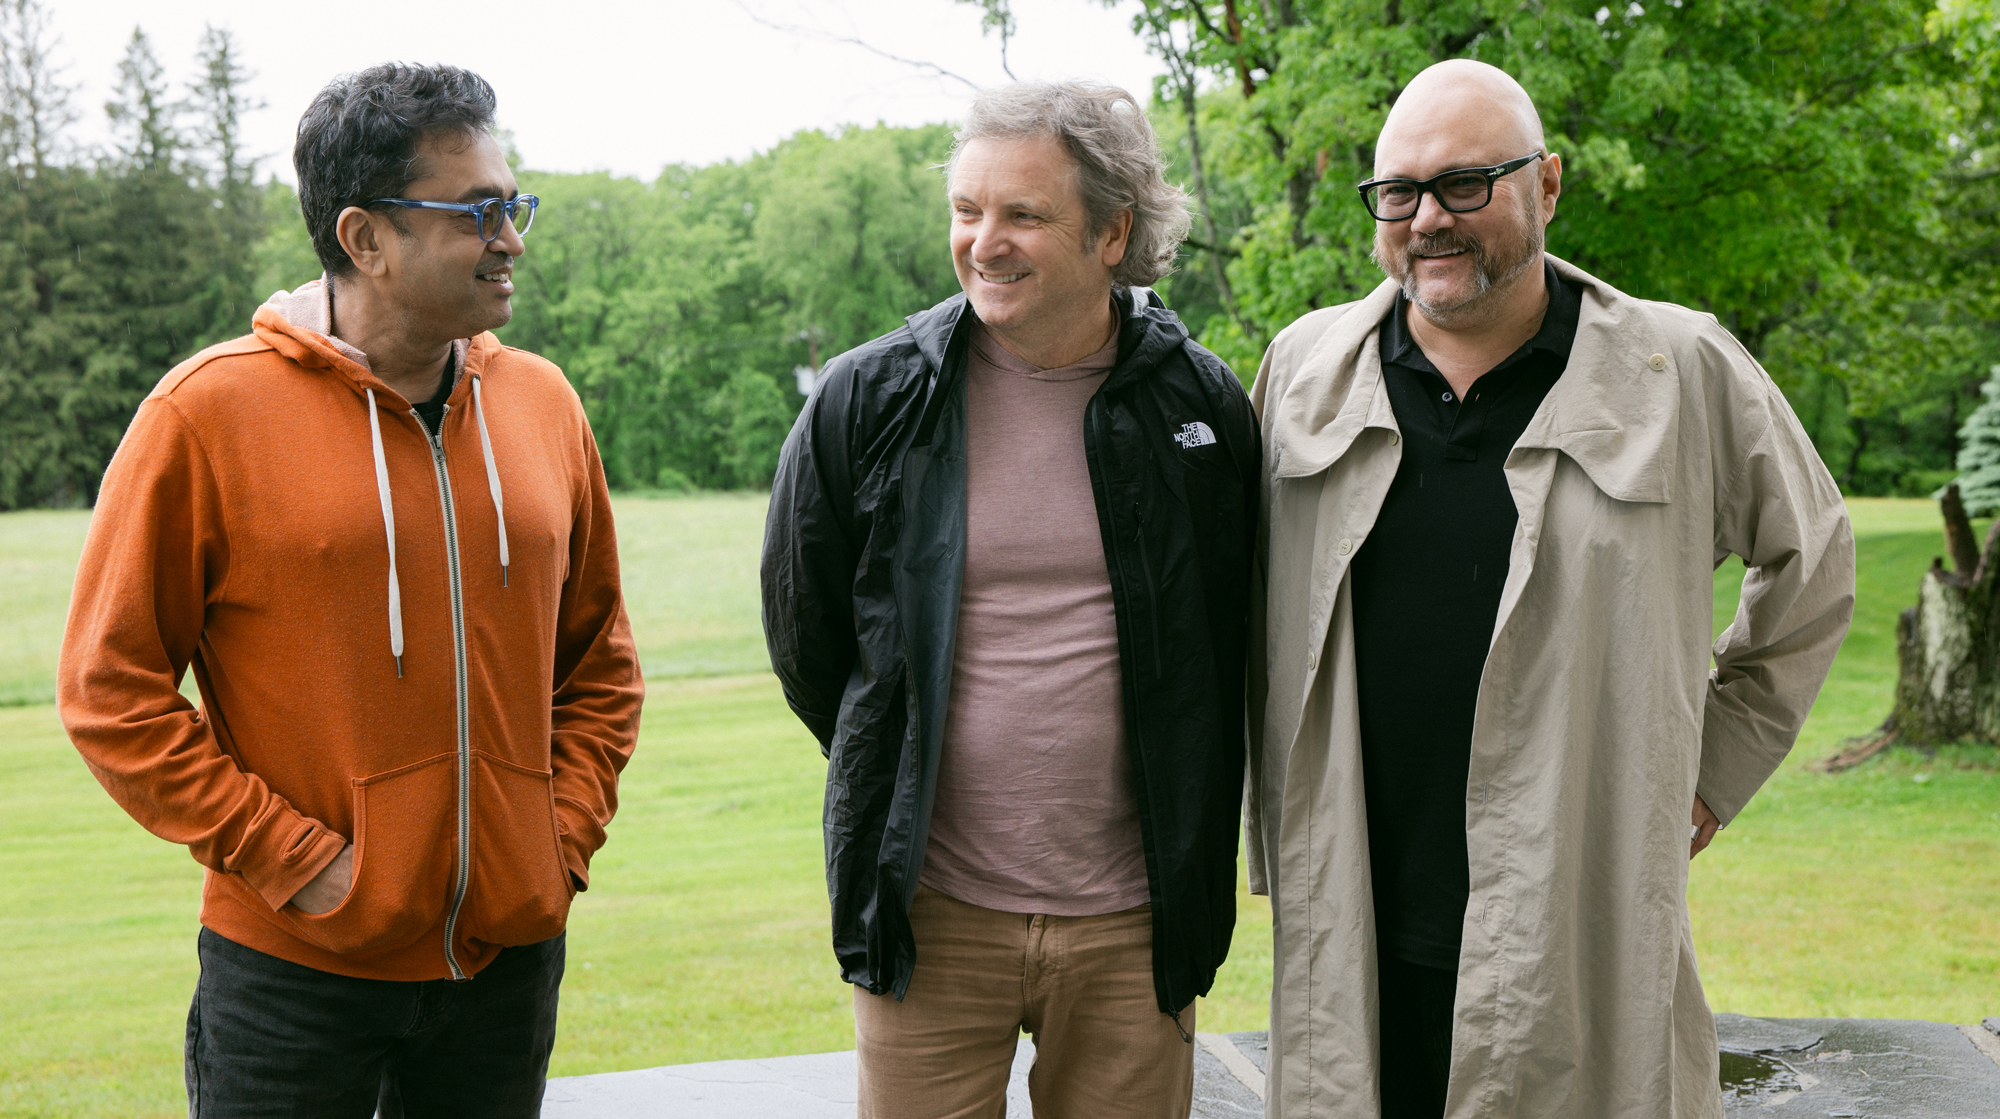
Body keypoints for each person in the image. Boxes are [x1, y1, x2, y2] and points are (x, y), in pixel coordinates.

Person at [1245, 59, 1854, 1118]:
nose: (1428, 218)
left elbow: (1812, 561)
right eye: (1399, 191)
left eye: (1465, 183)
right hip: (1355, 924)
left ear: (1547, 184)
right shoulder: (1302, 372)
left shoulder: (1676, 369)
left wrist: (1707, 770)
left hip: (1577, 924)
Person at [56, 63, 642, 1118]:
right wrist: (293, 860)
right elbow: (112, 692)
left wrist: (557, 839)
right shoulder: (205, 414)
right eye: (477, 211)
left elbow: (597, 658)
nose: (510, 235)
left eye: (513, 204)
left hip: (506, 967)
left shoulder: (543, 403)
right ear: (365, 238)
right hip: (293, 974)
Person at [761, 80, 1258, 1118]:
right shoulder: (868, 398)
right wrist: (897, 765)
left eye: (1022, 215)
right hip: (931, 912)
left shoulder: (1199, 405)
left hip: (1134, 921)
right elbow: (810, 642)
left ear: (1112, 231)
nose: (984, 241)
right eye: (966, 210)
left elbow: (1229, 642)